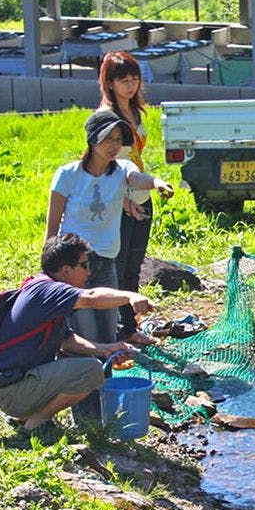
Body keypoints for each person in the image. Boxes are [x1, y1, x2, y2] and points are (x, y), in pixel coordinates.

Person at [46, 110, 172, 421]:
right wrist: (49, 267)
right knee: (81, 337)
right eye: (108, 139)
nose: (114, 145)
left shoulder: (122, 170)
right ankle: (85, 415)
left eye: (119, 140)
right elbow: (52, 226)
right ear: (92, 140)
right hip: (72, 265)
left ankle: (105, 412)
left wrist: (157, 182)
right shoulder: (68, 174)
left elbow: (136, 178)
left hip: (105, 262)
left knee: (108, 340)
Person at [0, 233, 150, 431]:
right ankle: (34, 423)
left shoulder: (44, 289)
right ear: (65, 270)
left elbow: (67, 340)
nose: (89, 272)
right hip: (12, 391)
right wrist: (129, 296)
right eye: (84, 265)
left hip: (10, 385)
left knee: (85, 363)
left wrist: (105, 350)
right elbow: (90, 297)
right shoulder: (50, 290)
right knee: (91, 371)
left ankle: (28, 416)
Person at [97, 52, 159, 345]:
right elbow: (103, 166)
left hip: (142, 193)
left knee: (134, 263)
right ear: (109, 83)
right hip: (120, 200)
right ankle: (121, 329)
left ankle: (130, 326)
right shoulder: (106, 117)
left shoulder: (136, 111)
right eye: (124, 80)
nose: (131, 85)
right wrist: (123, 201)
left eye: (134, 79)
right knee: (118, 266)